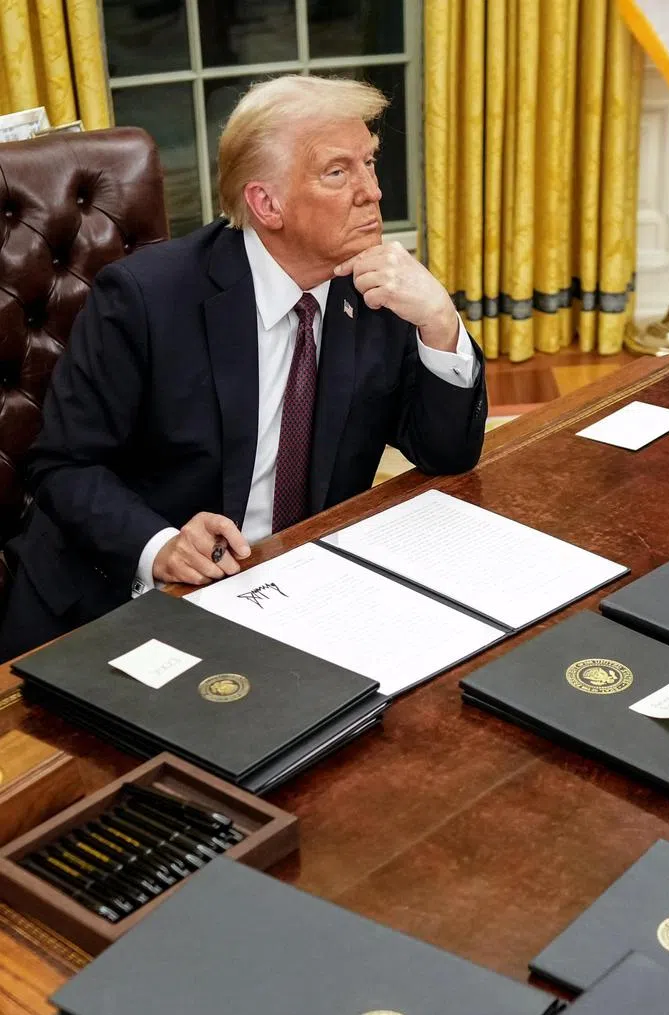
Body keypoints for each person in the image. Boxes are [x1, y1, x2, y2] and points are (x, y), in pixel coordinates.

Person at [0, 75, 486, 660]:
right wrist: (161, 547)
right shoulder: (146, 298)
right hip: (121, 599)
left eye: (370, 163)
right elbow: (63, 466)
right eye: (338, 172)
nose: (373, 192)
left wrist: (440, 324)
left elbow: (446, 454)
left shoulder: (377, 288)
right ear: (266, 204)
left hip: (293, 590)